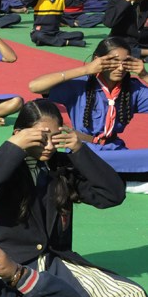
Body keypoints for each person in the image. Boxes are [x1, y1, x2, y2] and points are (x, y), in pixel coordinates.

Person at [0, 99, 147, 297]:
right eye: (41, 138)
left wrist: (79, 150)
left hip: (56, 263)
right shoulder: (5, 167)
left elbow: (113, 195)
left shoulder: (62, 167)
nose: (50, 146)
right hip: (10, 263)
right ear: (19, 135)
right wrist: (13, 146)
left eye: (55, 138)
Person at [28, 36, 148, 192]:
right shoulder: (81, 84)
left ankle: (114, 180)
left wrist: (144, 75)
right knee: (83, 165)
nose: (120, 68)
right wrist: (86, 69)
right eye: (113, 62)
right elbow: (35, 86)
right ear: (98, 60)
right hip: (82, 149)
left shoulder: (133, 89)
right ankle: (124, 182)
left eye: (125, 62)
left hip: (115, 150)